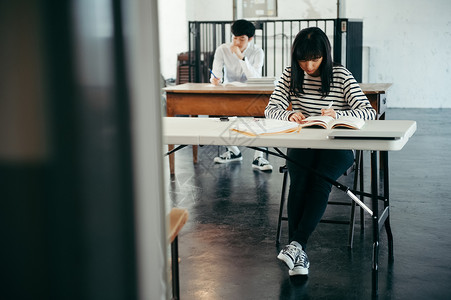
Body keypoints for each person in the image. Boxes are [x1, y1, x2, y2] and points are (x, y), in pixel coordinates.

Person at [265, 27, 376, 276]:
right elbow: (271, 109)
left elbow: (368, 111)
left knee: (318, 180)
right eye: (303, 60)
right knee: (299, 180)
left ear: (325, 54)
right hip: (304, 141)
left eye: (314, 59)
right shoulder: (290, 74)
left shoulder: (340, 75)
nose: (309, 65)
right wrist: (289, 113)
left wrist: (339, 114)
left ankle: (295, 245)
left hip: (337, 145)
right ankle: (299, 252)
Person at [210, 19, 272, 171]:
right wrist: (215, 79)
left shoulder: (257, 51)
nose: (237, 42)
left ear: (250, 39)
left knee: (261, 115)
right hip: (229, 92)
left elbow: (255, 78)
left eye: (241, 39)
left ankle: (259, 157)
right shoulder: (222, 49)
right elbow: (215, 74)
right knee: (216, 116)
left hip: (251, 93)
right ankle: (234, 152)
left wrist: (241, 58)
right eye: (234, 38)